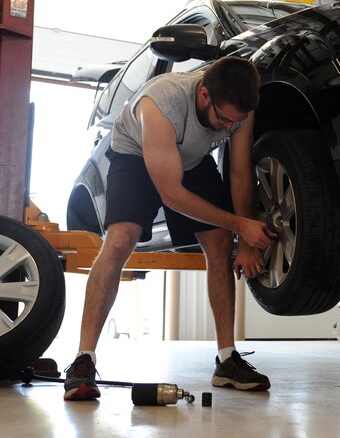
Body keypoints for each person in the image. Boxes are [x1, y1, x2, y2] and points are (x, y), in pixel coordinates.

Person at [64, 56, 277, 401]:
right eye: (222, 119)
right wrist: (241, 225)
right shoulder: (160, 104)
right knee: (120, 240)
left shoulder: (239, 109)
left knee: (221, 243)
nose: (225, 128)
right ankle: (83, 360)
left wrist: (246, 242)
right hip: (135, 157)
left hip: (191, 159)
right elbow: (172, 194)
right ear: (205, 95)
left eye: (232, 124)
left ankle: (226, 359)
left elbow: (238, 172)